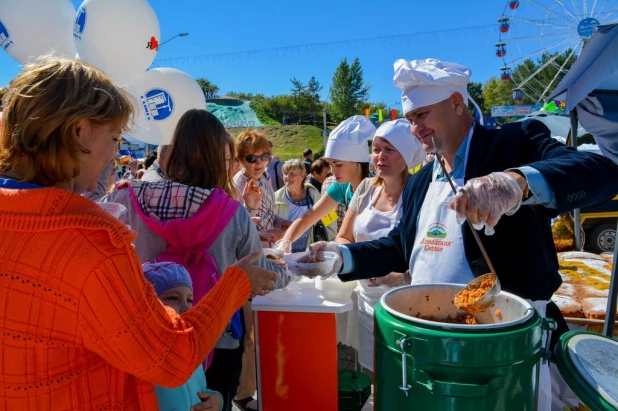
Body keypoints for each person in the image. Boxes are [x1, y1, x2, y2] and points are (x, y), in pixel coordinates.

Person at [310, 58, 618, 411]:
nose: (415, 129)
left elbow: (602, 173)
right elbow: (399, 246)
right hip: (430, 340)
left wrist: (518, 183)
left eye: (422, 115)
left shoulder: (514, 143)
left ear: (457, 103)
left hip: (505, 345)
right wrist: (341, 257)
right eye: (411, 119)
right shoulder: (422, 180)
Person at [0, 56, 277, 410]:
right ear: (79, 131)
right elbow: (169, 357)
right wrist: (236, 283)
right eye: (115, 137)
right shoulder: (92, 241)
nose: (116, 154)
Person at [95, 110, 288, 411]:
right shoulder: (233, 213)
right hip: (217, 338)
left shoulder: (125, 199)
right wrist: (294, 270)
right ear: (218, 160)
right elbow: (260, 274)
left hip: (148, 340)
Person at [335, 119, 424, 373]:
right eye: (376, 149)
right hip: (366, 302)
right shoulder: (365, 188)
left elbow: (425, 253)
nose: (379, 157)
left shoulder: (419, 193)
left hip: (405, 305)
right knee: (372, 372)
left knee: (402, 376)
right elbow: (343, 237)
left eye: (389, 150)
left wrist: (400, 277)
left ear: (407, 155)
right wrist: (343, 256)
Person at [277, 116, 374, 250]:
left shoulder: (376, 189)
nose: (333, 171)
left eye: (338, 165)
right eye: (330, 165)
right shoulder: (342, 187)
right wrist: (285, 243)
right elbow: (308, 218)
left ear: (358, 163)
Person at [143, 261, 224, 411]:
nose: (186, 306)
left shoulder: (189, 348)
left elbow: (200, 390)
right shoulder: (141, 358)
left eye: (189, 299)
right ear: (148, 303)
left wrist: (215, 399)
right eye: (173, 298)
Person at [233, 130, 291, 244]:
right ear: (240, 160)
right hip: (250, 253)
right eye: (252, 158)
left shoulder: (265, 177)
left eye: (264, 157)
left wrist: (282, 222)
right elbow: (237, 228)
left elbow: (268, 214)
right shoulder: (236, 186)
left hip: (270, 250)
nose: (259, 163)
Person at [274, 159, 336, 252]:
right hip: (283, 251)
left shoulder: (313, 194)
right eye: (285, 173)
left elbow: (330, 218)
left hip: (307, 252)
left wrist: (332, 241)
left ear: (303, 176)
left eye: (292, 174)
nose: (288, 177)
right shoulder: (276, 197)